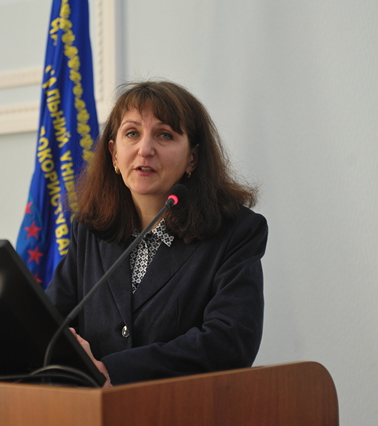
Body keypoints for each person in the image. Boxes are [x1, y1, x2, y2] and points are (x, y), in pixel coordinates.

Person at [45, 81, 268, 387]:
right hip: (89, 409)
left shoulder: (235, 232)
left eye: (165, 135)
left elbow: (229, 342)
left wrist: (115, 372)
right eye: (132, 133)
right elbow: (49, 324)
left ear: (192, 158)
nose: (145, 149)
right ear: (114, 154)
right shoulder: (89, 231)